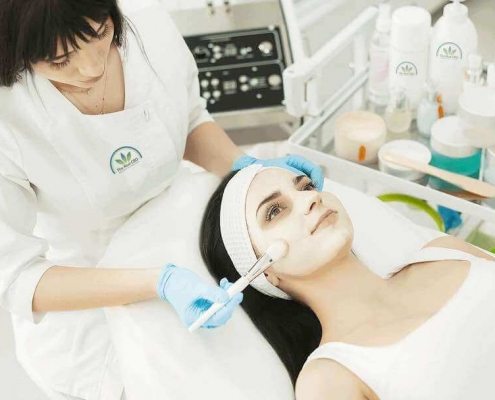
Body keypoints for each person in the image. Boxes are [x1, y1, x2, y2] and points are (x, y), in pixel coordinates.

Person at [0, 1, 324, 399]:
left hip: (188, 224)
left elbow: (187, 118)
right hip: (91, 282)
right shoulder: (9, 115)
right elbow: (16, 278)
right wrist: (160, 282)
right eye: (59, 60)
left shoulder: (146, 25)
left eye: (101, 34)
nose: (91, 68)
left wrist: (246, 169)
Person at [201, 164, 495, 400]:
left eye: (306, 186)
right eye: (275, 211)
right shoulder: (329, 378)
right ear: (264, 273)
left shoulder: (445, 252)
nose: (309, 197)